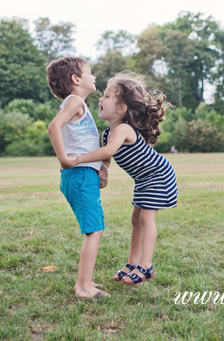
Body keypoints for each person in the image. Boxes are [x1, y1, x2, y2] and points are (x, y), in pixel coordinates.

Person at [64, 72, 177, 286]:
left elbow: (109, 150)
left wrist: (76, 159)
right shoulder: (108, 132)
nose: (100, 98)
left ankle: (146, 265)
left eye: (107, 96)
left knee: (146, 219)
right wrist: (104, 169)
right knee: (135, 219)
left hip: (158, 175)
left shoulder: (124, 129)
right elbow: (107, 155)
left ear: (122, 108)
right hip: (143, 180)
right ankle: (132, 263)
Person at [46, 56, 109, 299]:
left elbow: (88, 141)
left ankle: (85, 281)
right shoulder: (74, 100)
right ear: (76, 79)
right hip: (78, 174)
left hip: (85, 173)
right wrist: (63, 158)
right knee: (94, 230)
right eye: (90, 72)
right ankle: (83, 287)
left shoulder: (79, 103)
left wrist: (102, 167)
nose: (94, 77)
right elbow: (54, 127)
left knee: (97, 228)